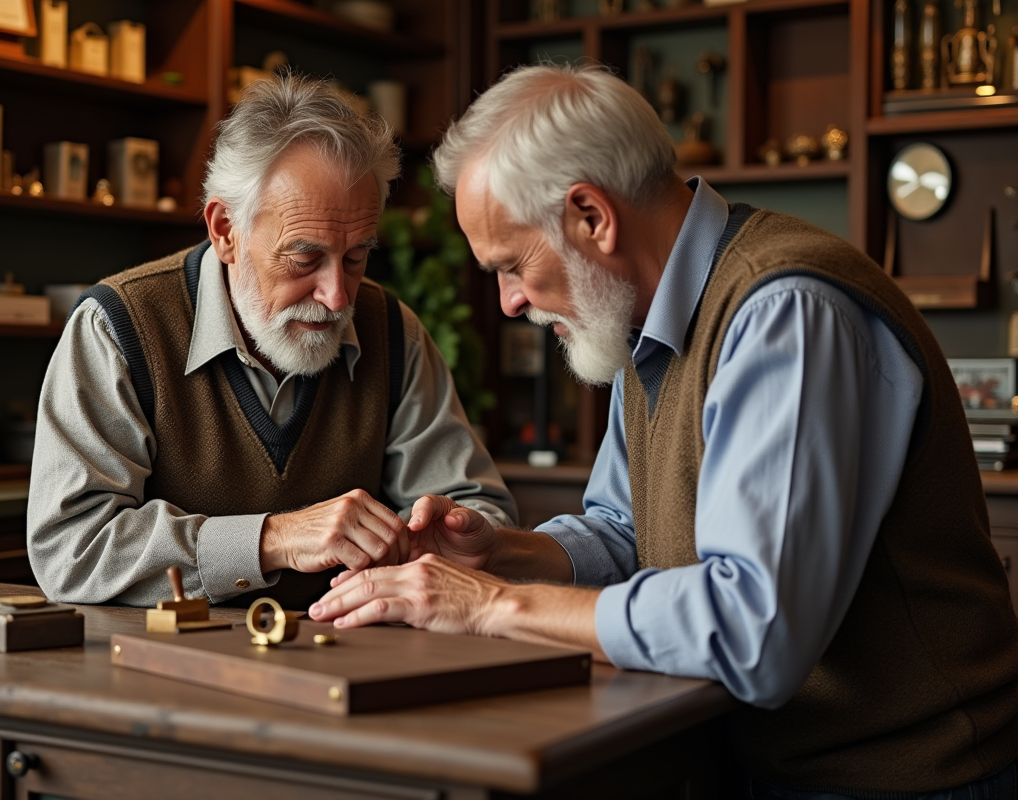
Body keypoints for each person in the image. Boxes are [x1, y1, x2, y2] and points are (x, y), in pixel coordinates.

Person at [310, 63, 1018, 797]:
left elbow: (755, 632)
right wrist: (501, 555)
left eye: (512, 265)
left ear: (592, 216)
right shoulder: (642, 317)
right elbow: (624, 532)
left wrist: (490, 605)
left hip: (906, 778)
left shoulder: (786, 315)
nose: (510, 303)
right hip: (758, 759)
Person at [26, 74, 515, 611]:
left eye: (356, 258)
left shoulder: (393, 330)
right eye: (304, 259)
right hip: (168, 668)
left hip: (351, 662)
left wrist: (449, 536)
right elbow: (71, 548)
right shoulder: (118, 328)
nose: (335, 297)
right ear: (225, 230)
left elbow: (479, 511)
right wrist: (272, 539)